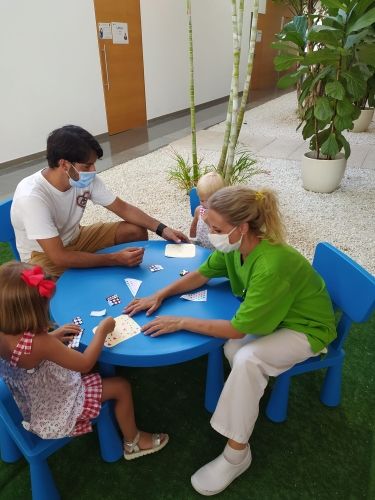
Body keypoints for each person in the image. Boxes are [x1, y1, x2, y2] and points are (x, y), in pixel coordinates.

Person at [124, 186, 336, 495]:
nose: (211, 234)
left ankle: (237, 455)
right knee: (236, 351)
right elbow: (201, 275)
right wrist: (159, 294)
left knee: (246, 358)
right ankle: (247, 399)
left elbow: (237, 328)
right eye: (210, 225)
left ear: (243, 227)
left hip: (307, 328)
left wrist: (180, 321)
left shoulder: (271, 264)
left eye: (217, 229)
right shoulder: (238, 248)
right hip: (278, 317)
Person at [0, 261, 168, 458]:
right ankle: (134, 441)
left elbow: (29, 354)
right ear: (33, 311)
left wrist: (53, 338)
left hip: (28, 397)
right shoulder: (41, 343)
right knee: (121, 386)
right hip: (54, 407)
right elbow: (85, 362)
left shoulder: (11, 335)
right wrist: (103, 330)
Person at [11, 125, 189, 278]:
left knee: (134, 231)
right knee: (59, 289)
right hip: (43, 257)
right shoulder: (32, 197)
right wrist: (113, 259)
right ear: (64, 164)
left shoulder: (82, 178)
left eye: (93, 164)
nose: (93, 170)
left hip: (76, 238)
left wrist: (162, 229)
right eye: (87, 165)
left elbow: (123, 208)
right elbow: (58, 256)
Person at [190, 172, 224, 250]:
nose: (205, 204)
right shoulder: (199, 210)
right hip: (200, 247)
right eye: (202, 200)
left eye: (208, 201)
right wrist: (192, 240)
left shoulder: (222, 214)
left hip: (217, 250)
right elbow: (194, 225)